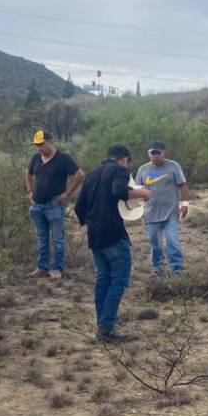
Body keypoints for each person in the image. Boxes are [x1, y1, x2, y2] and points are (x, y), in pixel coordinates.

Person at [74, 144, 150, 342]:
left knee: (103, 279)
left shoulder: (92, 175)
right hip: (113, 233)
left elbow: (79, 207)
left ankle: (102, 325)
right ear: (124, 159)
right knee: (118, 280)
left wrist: (89, 223)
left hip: (95, 234)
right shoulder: (119, 170)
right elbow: (119, 191)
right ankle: (106, 328)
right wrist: (143, 194)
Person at [25, 129, 84, 279]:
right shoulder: (36, 158)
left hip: (54, 204)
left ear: (50, 142)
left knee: (57, 238)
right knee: (42, 238)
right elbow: (28, 174)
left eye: (41, 144)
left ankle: (57, 269)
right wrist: (30, 191)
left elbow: (79, 175)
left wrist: (66, 194)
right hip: (37, 205)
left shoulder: (63, 158)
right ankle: (41, 268)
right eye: (36, 145)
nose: (39, 147)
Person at [135, 140, 190, 275]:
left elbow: (182, 185)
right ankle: (157, 268)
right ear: (148, 154)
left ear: (163, 153)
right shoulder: (143, 169)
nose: (156, 156)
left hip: (171, 212)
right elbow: (137, 189)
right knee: (155, 243)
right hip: (151, 214)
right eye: (152, 153)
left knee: (172, 239)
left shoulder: (173, 166)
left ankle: (176, 269)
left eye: (158, 153)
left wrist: (185, 204)